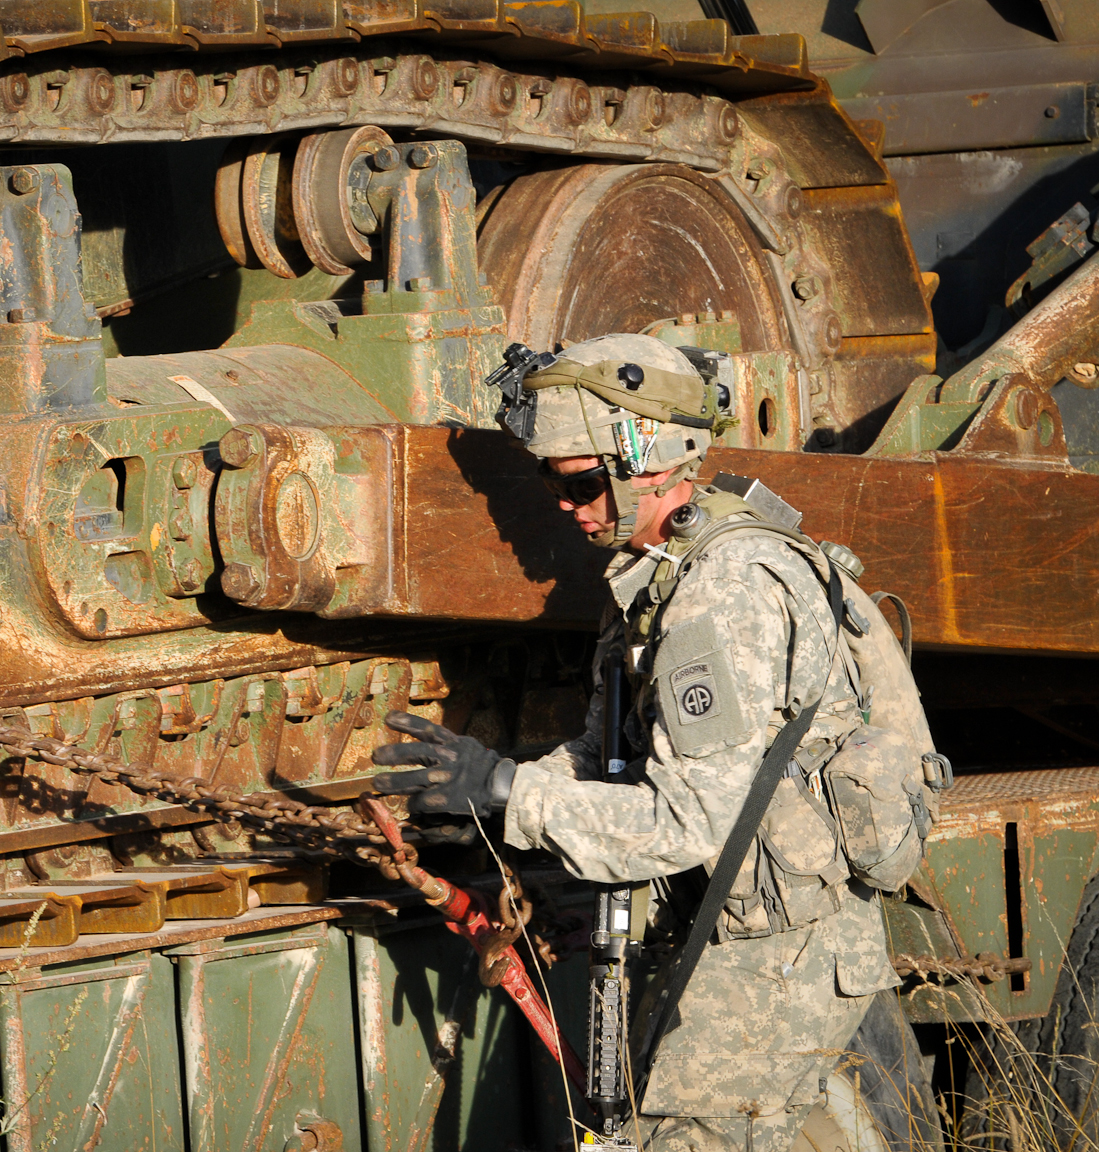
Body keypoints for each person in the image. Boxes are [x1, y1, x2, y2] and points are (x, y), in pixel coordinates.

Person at [372, 333, 904, 1152]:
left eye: (581, 479)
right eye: (554, 479)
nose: (562, 503)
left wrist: (513, 795)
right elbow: (602, 754)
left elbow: (688, 820)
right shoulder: (655, 579)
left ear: (646, 461)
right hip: (723, 931)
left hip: (773, 958)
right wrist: (490, 796)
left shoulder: (717, 596)